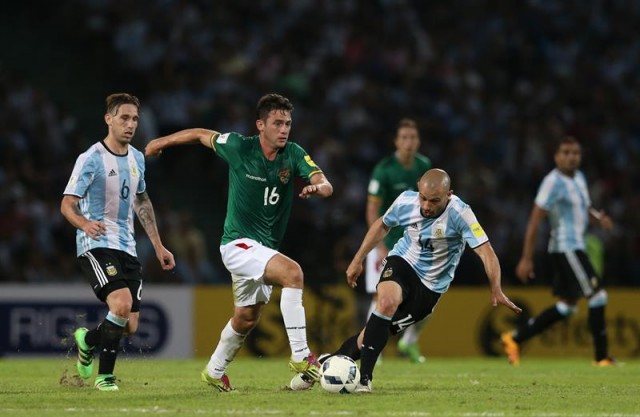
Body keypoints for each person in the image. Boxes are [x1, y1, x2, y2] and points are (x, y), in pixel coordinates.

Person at [144, 93, 333, 392]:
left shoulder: (294, 153)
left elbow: (324, 182)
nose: (284, 129)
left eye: (288, 124)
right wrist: (160, 142)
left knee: (246, 318)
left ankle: (214, 370)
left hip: (264, 249)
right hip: (237, 244)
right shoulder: (239, 147)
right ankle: (302, 358)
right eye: (277, 123)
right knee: (293, 273)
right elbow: (199, 134)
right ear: (261, 125)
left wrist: (318, 187)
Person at [328, 168, 521, 393]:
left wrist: (496, 288)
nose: (427, 206)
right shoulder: (406, 202)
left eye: (434, 201)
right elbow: (383, 224)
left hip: (430, 287)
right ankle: (365, 380)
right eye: (423, 198)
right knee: (386, 303)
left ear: (449, 195)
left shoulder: (461, 213)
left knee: (369, 336)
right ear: (418, 188)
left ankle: (326, 364)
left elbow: (486, 252)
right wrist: (358, 259)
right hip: (403, 261)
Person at [61, 93, 176, 391]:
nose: (131, 124)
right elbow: (67, 204)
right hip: (96, 243)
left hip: (128, 247)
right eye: (124, 118)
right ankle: (105, 377)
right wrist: (85, 224)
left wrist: (159, 245)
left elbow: (142, 202)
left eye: (135, 119)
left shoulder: (138, 158)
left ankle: (87, 340)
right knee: (122, 304)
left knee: (131, 324)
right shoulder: (91, 158)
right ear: (108, 119)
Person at [502, 136, 616, 366]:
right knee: (598, 295)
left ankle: (514, 338)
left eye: (575, 153)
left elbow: (585, 209)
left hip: (574, 247)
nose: (571, 157)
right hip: (567, 247)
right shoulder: (552, 182)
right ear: (556, 156)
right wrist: (526, 257)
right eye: (565, 152)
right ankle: (601, 357)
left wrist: (598, 219)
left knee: (567, 307)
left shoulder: (580, 178)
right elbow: (535, 220)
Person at [365, 118, 432, 363]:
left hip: (415, 244)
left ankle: (408, 342)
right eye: (404, 137)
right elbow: (372, 210)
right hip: (386, 242)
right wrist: (379, 245)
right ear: (396, 141)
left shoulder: (424, 165)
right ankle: (374, 348)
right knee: (379, 297)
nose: (409, 143)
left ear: (418, 141)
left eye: (413, 138)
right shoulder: (384, 169)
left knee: (428, 299)